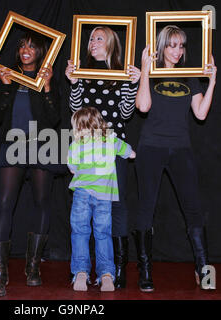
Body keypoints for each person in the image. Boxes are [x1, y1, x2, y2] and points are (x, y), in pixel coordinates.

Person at [134, 25, 217, 292]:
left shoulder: (189, 76)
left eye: (181, 45)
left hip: (181, 148)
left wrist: (212, 81)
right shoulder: (153, 72)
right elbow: (143, 107)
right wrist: (146, 70)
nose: (177, 51)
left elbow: (201, 114)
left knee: (193, 207)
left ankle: (203, 270)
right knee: (146, 208)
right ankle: (145, 271)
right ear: (161, 47)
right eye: (171, 45)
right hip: (151, 147)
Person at [65, 26, 140, 288]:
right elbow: (75, 109)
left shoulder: (121, 73)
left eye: (99, 38)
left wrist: (132, 84)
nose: (93, 42)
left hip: (112, 147)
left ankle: (115, 269)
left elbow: (126, 113)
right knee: (83, 213)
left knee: (115, 207)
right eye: (90, 38)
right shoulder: (83, 72)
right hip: (86, 151)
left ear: (111, 43)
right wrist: (74, 83)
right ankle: (82, 269)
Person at [0, 30, 61, 296]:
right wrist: (5, 86)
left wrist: (49, 87)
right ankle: (0, 273)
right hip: (13, 144)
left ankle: (33, 268)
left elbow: (54, 118)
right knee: (4, 204)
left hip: (43, 144)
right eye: (22, 45)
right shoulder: (6, 76)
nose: (25, 50)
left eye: (31, 46)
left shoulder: (46, 77)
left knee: (42, 202)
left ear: (41, 51)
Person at [67, 107, 136, 291]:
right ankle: (106, 275)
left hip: (82, 193)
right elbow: (130, 153)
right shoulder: (111, 139)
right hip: (104, 196)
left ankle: (80, 272)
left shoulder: (76, 145)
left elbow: (72, 168)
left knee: (80, 232)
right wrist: (128, 153)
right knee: (103, 234)